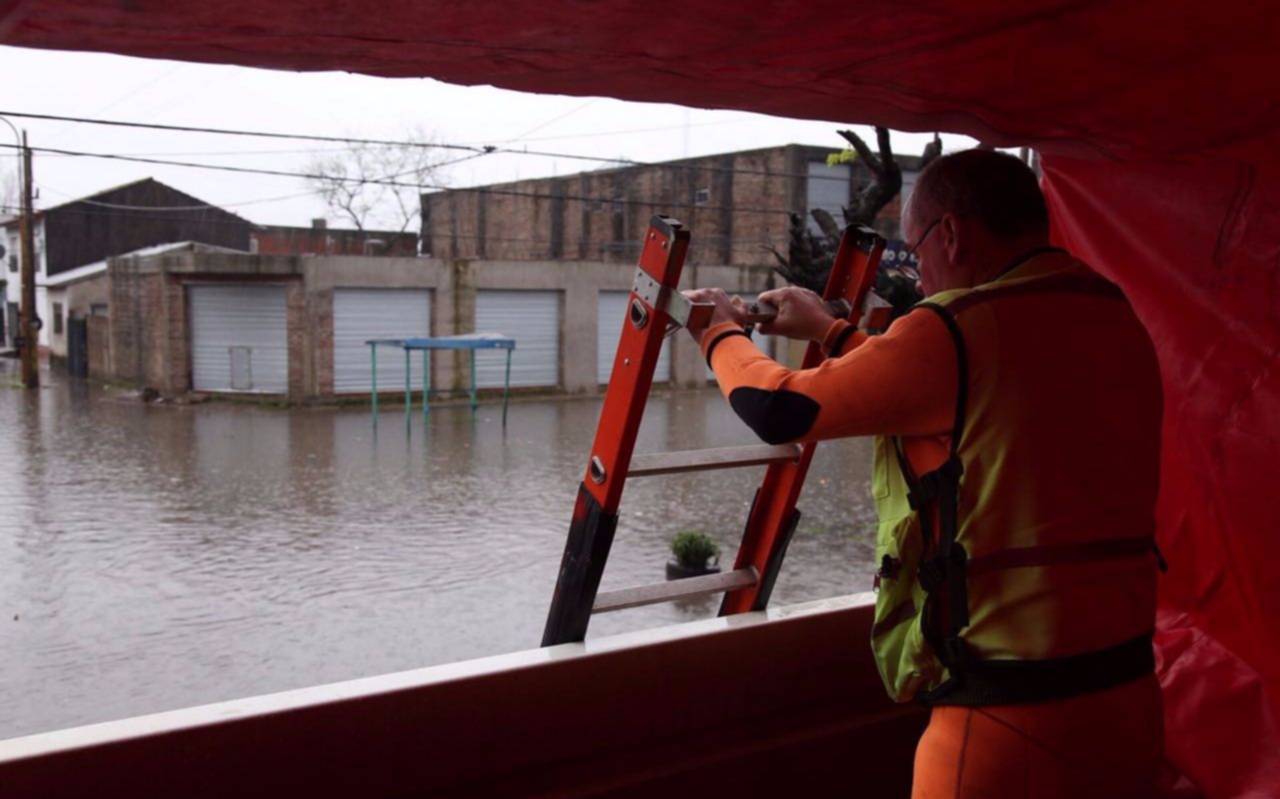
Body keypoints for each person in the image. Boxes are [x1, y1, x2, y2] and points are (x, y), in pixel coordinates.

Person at [684, 149, 1165, 799]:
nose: (921, 271)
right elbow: (957, 394)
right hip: (1128, 702)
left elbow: (779, 406)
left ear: (952, 233)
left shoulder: (961, 325)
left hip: (1004, 717)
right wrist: (832, 331)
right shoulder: (1113, 313)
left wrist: (717, 331)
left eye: (916, 249)